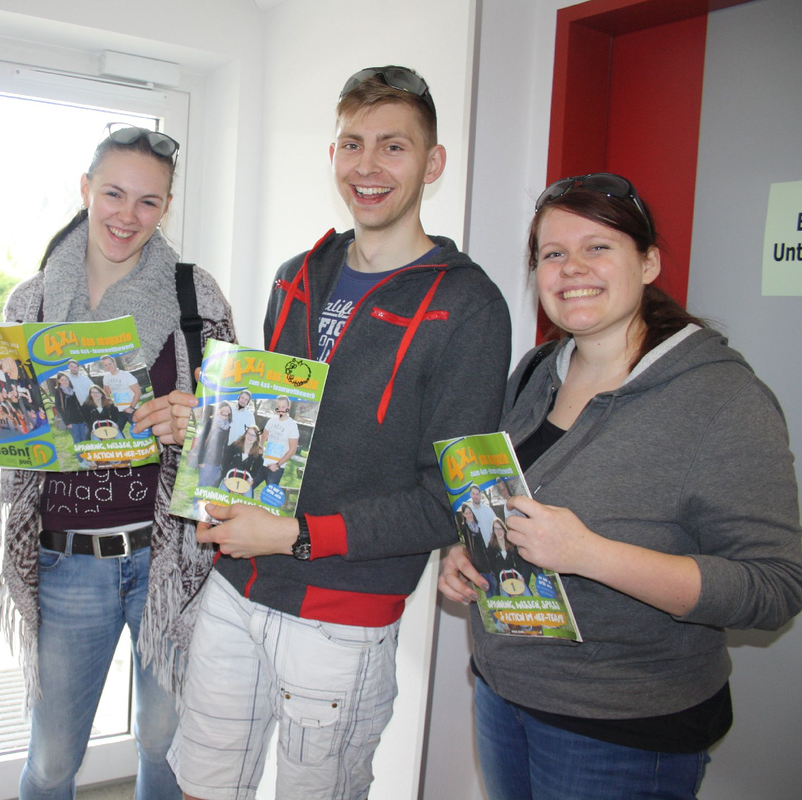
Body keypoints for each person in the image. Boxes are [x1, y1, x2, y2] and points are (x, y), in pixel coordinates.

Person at [168, 66, 511, 800]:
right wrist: (210, 438)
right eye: (353, 144)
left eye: (394, 146)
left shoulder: (469, 307)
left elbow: (448, 503)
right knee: (198, 787)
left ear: (432, 163)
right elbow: (275, 435)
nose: (368, 165)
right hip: (234, 585)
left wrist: (292, 535)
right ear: (333, 156)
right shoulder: (296, 275)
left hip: (339, 618)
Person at [438, 172, 802, 800]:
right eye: (553, 253)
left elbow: (774, 587)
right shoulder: (534, 373)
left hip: (624, 732)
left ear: (649, 262)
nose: (572, 268)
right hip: (505, 696)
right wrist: (467, 550)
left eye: (598, 247)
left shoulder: (723, 400)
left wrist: (590, 555)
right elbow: (502, 501)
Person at [0, 123, 235, 800]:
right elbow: (6, 430)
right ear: (85, 189)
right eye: (113, 194)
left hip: (171, 561)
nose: (127, 216)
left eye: (149, 201)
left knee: (166, 747)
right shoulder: (30, 302)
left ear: (166, 207)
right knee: (51, 763)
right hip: (66, 558)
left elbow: (236, 431)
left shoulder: (197, 297)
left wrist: (196, 421)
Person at [258, 395, 299, 490]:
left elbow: (293, 449)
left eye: (283, 407)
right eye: (279, 406)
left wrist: (277, 465)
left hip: (276, 468)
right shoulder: (271, 421)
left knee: (270, 494)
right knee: (249, 486)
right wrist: (260, 446)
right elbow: (263, 436)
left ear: (288, 407)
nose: (281, 409)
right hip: (264, 462)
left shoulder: (292, 425)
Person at [100, 353, 142, 436]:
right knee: (115, 433)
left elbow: (138, 392)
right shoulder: (106, 377)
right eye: (106, 365)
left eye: (110, 364)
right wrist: (108, 400)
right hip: (119, 411)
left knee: (140, 432)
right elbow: (106, 391)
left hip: (132, 410)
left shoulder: (126, 375)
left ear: (114, 362)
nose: (109, 366)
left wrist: (131, 407)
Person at [193, 401, 233, 487]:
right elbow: (201, 441)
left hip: (218, 463)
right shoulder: (210, 423)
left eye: (227, 411)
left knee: (211, 487)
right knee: (202, 485)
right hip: (207, 460)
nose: (225, 413)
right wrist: (200, 460)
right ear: (218, 411)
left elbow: (225, 446)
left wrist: (223, 463)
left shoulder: (228, 428)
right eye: (223, 410)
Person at [220, 423, 264, 498]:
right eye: (249, 434)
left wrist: (250, 480)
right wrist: (225, 476)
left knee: (247, 499)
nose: (250, 437)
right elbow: (225, 462)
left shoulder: (257, 453)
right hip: (230, 478)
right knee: (221, 495)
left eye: (253, 435)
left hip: (244, 481)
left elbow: (256, 470)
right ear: (245, 434)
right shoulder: (234, 446)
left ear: (256, 438)